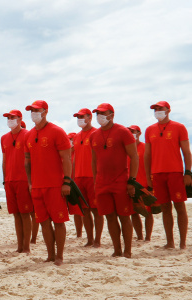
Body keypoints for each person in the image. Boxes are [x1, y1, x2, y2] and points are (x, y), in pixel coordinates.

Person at [24, 100, 72, 266]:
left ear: (45, 112)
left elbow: (67, 158)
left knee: (58, 221)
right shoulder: (29, 134)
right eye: (31, 110)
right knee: (43, 222)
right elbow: (27, 162)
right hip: (37, 186)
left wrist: (67, 182)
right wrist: (30, 183)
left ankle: (59, 256)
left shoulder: (57, 131)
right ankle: (50, 255)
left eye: (37, 110)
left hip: (55, 185)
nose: (33, 113)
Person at [89, 104, 138, 258]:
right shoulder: (94, 135)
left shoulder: (123, 131)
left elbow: (134, 157)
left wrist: (132, 180)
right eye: (97, 113)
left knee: (124, 216)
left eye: (103, 113)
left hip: (120, 181)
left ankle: (127, 251)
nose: (99, 116)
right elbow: (94, 161)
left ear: (112, 115)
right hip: (102, 183)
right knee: (110, 216)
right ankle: (117, 250)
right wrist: (95, 182)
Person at [144, 101, 192, 249]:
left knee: (180, 206)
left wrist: (188, 172)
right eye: (155, 109)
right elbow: (147, 155)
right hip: (157, 174)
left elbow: (186, 152)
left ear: (168, 110)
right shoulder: (149, 130)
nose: (157, 111)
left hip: (175, 173)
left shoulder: (179, 127)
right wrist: (148, 176)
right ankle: (170, 242)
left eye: (160, 108)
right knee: (165, 208)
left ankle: (182, 243)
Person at [1, 110, 33, 253]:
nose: (10, 119)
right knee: (16, 214)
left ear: (20, 119)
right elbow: (4, 160)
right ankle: (19, 246)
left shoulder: (28, 134)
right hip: (9, 180)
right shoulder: (4, 138)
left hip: (23, 179)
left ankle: (26, 247)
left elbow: (32, 158)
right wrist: (5, 180)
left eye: (12, 117)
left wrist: (31, 181)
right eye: (8, 118)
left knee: (25, 213)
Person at [73, 108, 101, 246]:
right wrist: (71, 178)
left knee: (96, 210)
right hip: (79, 177)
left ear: (90, 117)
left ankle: (97, 240)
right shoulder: (77, 136)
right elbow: (74, 158)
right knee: (84, 210)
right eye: (78, 117)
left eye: (82, 116)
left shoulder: (97, 133)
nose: (79, 119)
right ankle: (89, 239)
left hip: (92, 177)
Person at [128, 125, 153, 241]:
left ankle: (148, 237)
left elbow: (151, 164)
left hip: (145, 184)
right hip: (131, 185)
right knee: (134, 212)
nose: (131, 133)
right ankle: (139, 236)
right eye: (129, 131)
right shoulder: (126, 148)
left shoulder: (145, 147)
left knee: (148, 212)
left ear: (139, 133)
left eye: (133, 131)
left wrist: (151, 182)